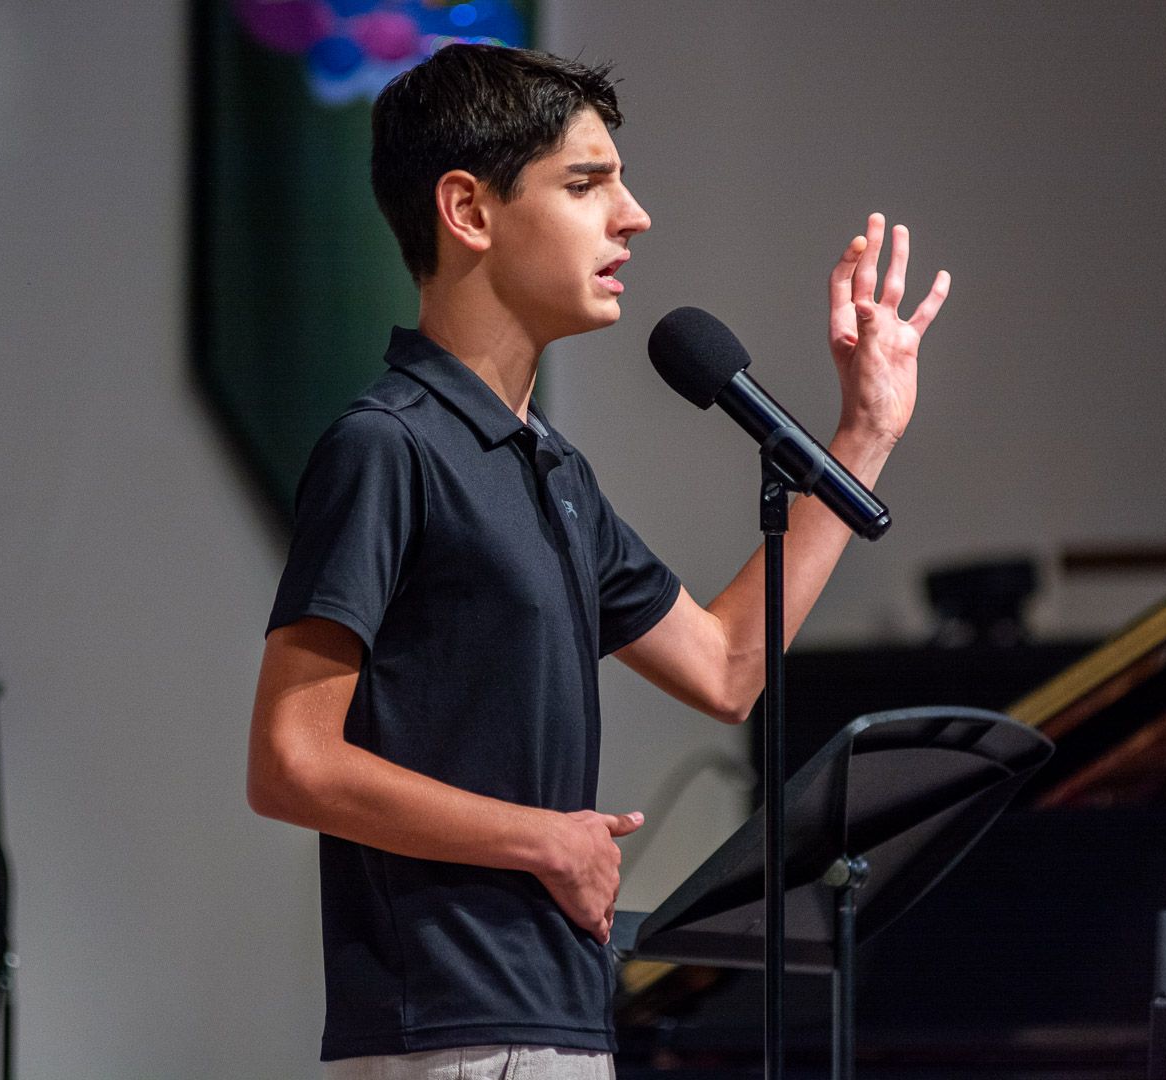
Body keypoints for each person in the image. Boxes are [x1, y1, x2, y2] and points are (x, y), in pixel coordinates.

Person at [246, 44, 949, 1079]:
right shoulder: (388, 446)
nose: (634, 215)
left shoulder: (553, 470)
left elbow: (726, 668)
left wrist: (863, 437)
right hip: (451, 1031)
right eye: (586, 183)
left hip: (562, 1019)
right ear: (469, 211)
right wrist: (544, 840)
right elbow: (291, 760)